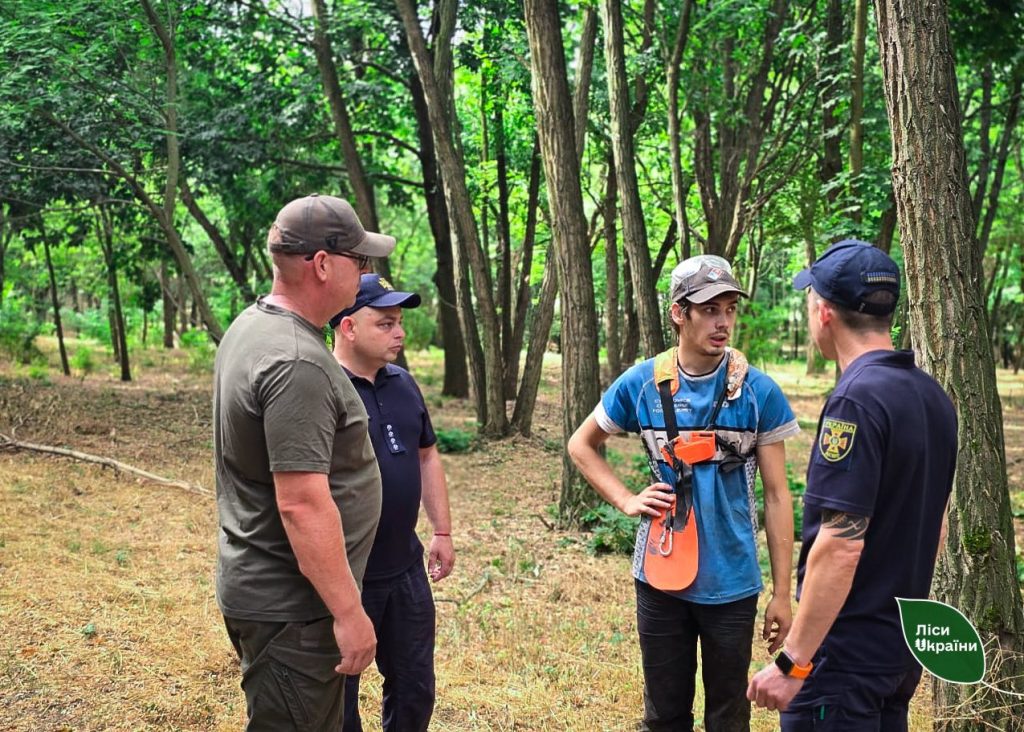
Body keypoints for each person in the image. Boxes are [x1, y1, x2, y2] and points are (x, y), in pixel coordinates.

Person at [568, 254, 801, 731]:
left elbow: (778, 496)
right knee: (664, 713)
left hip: (733, 581)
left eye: (730, 308)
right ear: (679, 312)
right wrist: (626, 500)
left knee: (728, 715)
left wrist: (782, 593)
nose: (723, 322)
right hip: (660, 577)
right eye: (710, 309)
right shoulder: (643, 383)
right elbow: (581, 445)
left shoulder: (758, 392)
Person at [747, 239, 957, 730]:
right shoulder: (932, 397)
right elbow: (937, 524)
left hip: (841, 662)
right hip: (895, 651)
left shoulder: (857, 402)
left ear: (824, 312)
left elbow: (841, 544)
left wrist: (793, 661)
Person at [213, 194, 395, 731]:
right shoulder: (296, 361)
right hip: (295, 608)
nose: (365, 273)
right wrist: (348, 613)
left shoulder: (251, 327)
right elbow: (301, 504)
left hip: (268, 591)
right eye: (359, 261)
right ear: (322, 264)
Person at [330, 273, 455, 732]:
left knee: (415, 686)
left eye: (399, 321)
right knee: (337, 698)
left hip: (405, 567)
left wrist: (441, 531)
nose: (399, 332)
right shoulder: (323, 389)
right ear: (347, 327)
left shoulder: (403, 382)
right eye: (385, 323)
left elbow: (426, 454)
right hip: (347, 573)